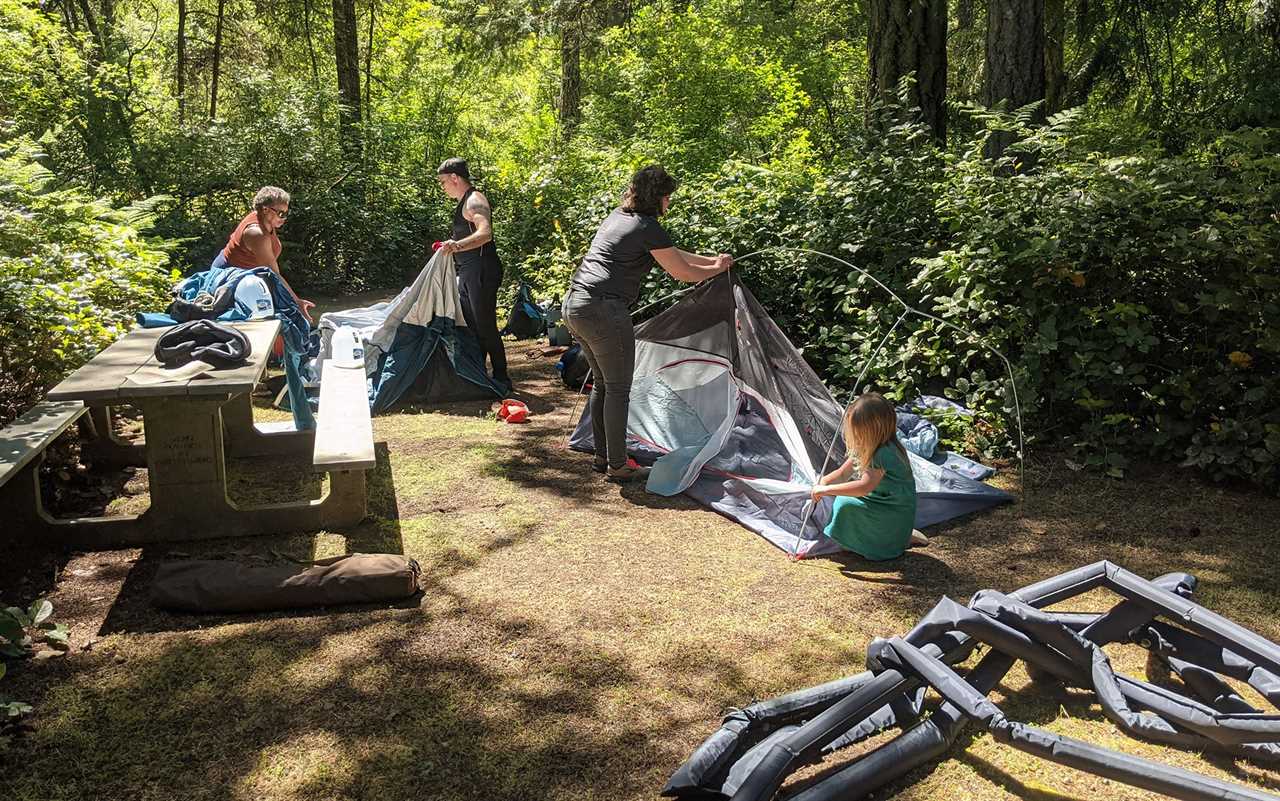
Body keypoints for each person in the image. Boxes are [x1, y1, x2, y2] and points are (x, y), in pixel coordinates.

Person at [562, 165, 733, 482]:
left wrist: (713, 262)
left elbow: (674, 254)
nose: (669, 203)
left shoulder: (619, 217)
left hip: (575, 306)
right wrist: (716, 272)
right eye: (668, 197)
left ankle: (604, 457)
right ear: (659, 198)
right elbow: (680, 272)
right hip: (603, 311)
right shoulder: (647, 226)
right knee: (617, 388)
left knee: (603, 384)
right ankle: (617, 465)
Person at [811, 392, 928, 560]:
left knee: (844, 504)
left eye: (858, 433)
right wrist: (823, 482)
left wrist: (827, 490)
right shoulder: (867, 446)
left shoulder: (882, 453)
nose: (855, 438)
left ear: (873, 431)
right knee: (842, 499)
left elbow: (863, 487)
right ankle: (889, 537)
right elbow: (843, 474)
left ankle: (881, 543)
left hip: (892, 512)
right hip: (881, 504)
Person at [435, 158, 511, 390]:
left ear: (455, 178)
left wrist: (456, 246)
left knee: (485, 324)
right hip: (468, 270)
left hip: (482, 269)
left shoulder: (474, 200)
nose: (443, 187)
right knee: (473, 325)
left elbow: (485, 233)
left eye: (443, 182)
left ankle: (502, 378)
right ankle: (479, 372)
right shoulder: (462, 203)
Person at [218, 186, 313, 322]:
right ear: (265, 209)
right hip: (229, 274)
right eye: (281, 213)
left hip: (251, 276)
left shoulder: (267, 221)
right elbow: (273, 274)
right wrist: (296, 301)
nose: (284, 218)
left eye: (286, 213)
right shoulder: (257, 233)